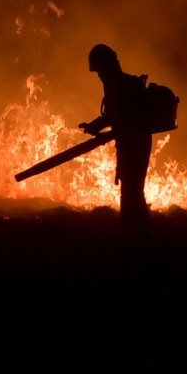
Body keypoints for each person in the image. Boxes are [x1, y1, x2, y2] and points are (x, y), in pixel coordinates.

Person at [79, 43, 153, 241]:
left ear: (108, 66)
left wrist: (100, 129)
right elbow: (112, 116)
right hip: (130, 143)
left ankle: (135, 236)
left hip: (135, 144)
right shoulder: (118, 84)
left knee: (132, 191)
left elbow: (121, 118)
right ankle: (137, 234)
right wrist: (94, 126)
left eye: (100, 71)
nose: (99, 76)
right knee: (131, 190)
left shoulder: (121, 85)